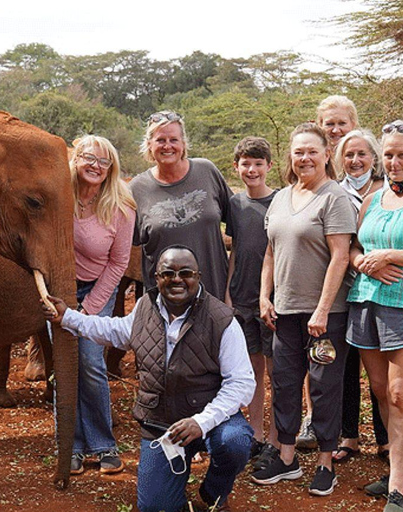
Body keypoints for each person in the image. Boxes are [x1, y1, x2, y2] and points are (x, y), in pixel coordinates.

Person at [44, 245, 255, 512]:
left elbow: (241, 384)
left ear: (198, 276)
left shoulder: (222, 320)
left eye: (186, 273)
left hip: (210, 420)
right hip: (162, 425)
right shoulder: (144, 309)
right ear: (156, 278)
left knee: (234, 441)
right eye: (168, 273)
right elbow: (112, 330)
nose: (177, 279)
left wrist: (200, 422)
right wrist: (68, 317)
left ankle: (213, 493)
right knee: (156, 507)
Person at [252, 123, 357, 496]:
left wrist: (323, 310)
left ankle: (326, 463)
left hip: (323, 316)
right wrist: (265, 296)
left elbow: (341, 255)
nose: (305, 158)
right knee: (283, 382)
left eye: (312, 151)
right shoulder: (280, 198)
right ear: (290, 157)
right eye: (299, 152)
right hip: (284, 311)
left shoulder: (334, 198)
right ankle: (286, 457)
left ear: (327, 154)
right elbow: (270, 251)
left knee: (325, 386)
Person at [347, 120, 403, 512]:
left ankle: (397, 488)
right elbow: (355, 248)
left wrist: (390, 256)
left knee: (401, 394)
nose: (394, 162)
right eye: (389, 155)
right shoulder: (374, 199)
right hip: (366, 302)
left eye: (402, 155)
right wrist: (364, 262)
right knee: (379, 389)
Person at [68, 135, 136, 475]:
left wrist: (89, 309)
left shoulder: (121, 207)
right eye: (89, 158)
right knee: (65, 364)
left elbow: (118, 264)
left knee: (91, 362)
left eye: (104, 162)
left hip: (99, 288)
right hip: (59, 290)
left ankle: (103, 444)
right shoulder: (58, 198)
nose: (96, 166)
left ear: (112, 169)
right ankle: (71, 446)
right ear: (75, 159)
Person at [296, 94, 361, 450]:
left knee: (355, 363)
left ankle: (360, 434)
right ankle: (318, 423)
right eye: (328, 124)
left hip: (361, 281)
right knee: (320, 356)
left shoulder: (361, 168)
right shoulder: (313, 167)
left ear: (353, 125)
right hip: (319, 285)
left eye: (341, 123)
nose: (335, 130)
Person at [332, 129, 390, 463]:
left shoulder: (388, 191)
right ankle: (349, 436)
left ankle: (385, 439)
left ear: (374, 157)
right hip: (344, 288)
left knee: (380, 371)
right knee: (347, 366)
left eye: (362, 155)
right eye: (349, 156)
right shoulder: (335, 192)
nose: (355, 161)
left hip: (382, 289)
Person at [130, 111, 232, 300]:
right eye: (160, 140)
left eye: (174, 140)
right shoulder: (137, 188)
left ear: (183, 144)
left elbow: (237, 223)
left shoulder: (206, 171)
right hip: (164, 303)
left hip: (214, 295)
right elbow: (124, 245)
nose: (167, 146)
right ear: (149, 145)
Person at [224, 137, 279, 470]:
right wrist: (229, 291)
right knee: (252, 369)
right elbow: (236, 248)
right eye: (246, 163)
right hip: (242, 296)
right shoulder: (235, 204)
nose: (252, 169)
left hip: (272, 298)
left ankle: (277, 437)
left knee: (279, 370)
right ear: (236, 167)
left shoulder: (281, 201)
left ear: (269, 166)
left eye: (258, 163)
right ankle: (256, 432)